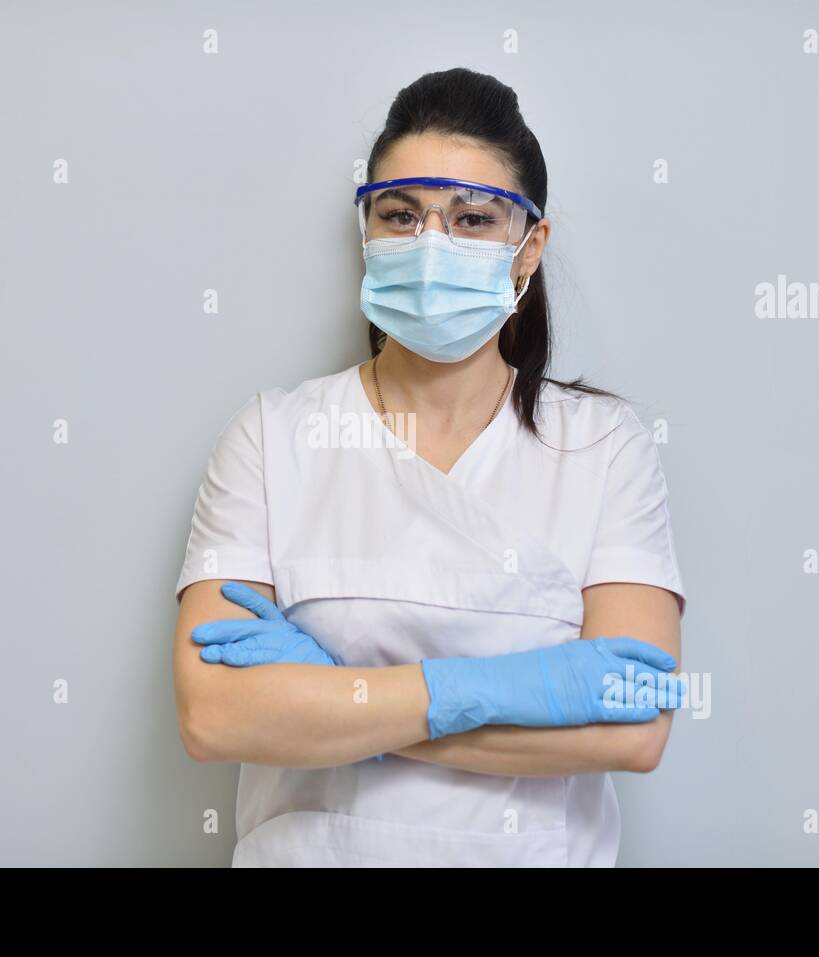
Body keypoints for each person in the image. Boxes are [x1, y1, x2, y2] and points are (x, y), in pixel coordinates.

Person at [172, 67, 688, 867]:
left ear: (529, 249)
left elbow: (634, 724)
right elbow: (214, 715)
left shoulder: (604, 446)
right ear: (367, 231)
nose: (430, 243)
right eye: (401, 214)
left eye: (472, 218)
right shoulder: (272, 437)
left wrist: (340, 699)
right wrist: (510, 691)